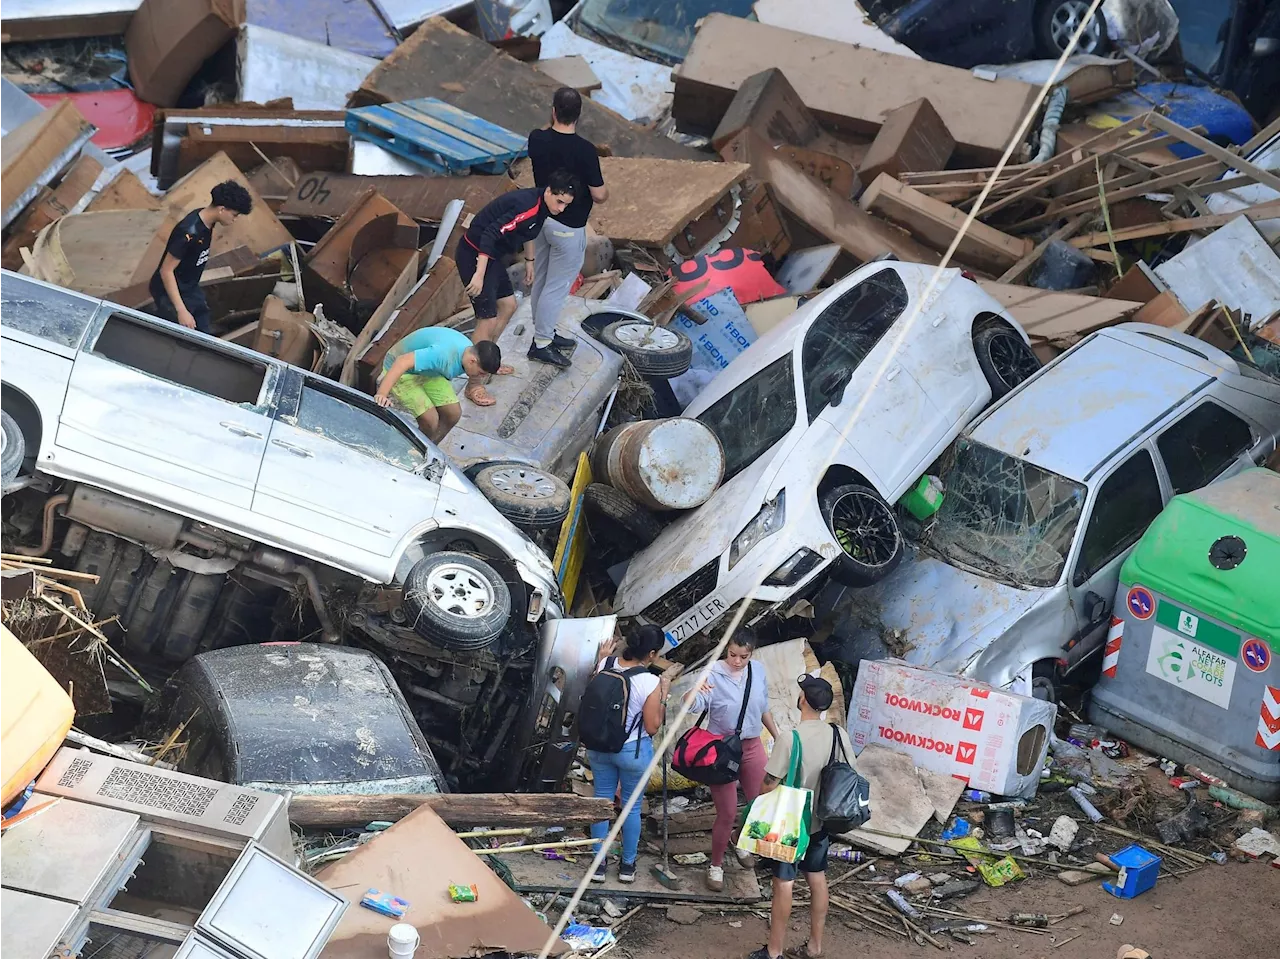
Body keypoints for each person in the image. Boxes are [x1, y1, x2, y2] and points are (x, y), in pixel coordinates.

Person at [748, 675, 854, 959]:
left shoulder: (791, 738)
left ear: (803, 699)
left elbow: (770, 783)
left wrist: (756, 809)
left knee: (784, 883)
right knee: (817, 877)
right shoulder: (838, 734)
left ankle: (773, 951)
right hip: (822, 819)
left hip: (791, 823)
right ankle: (815, 946)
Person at [456, 171, 579, 407]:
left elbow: (528, 232)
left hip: (493, 258)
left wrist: (530, 262)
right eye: (560, 201)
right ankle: (474, 384)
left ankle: (489, 360)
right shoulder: (527, 205)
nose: (562, 208)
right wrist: (479, 275)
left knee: (508, 305)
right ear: (548, 191)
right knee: (486, 319)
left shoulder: (542, 207)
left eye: (567, 204)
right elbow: (490, 234)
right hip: (475, 253)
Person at [686, 629, 779, 892]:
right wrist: (692, 693)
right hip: (721, 750)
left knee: (760, 803)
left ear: (751, 654)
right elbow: (693, 704)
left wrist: (777, 735)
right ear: (726, 649)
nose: (736, 661)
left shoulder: (757, 671)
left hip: (752, 744)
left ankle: (739, 838)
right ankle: (716, 865)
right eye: (732, 655)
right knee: (726, 812)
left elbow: (763, 707)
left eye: (743, 657)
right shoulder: (713, 672)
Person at [525, 87, 608, 369]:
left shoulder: (536, 139)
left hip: (541, 219)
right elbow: (599, 194)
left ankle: (543, 331)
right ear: (579, 115)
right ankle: (542, 343)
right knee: (556, 287)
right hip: (568, 226)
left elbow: (546, 134)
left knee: (542, 277)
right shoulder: (585, 150)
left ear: (553, 111)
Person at [587, 624, 670, 884]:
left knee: (600, 802)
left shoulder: (605, 664)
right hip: (632, 751)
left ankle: (598, 865)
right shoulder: (650, 681)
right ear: (653, 654)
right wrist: (663, 697)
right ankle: (627, 866)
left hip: (599, 747)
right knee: (630, 808)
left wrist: (602, 657)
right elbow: (652, 726)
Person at [148, 180, 252, 334]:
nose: (234, 219)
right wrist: (181, 310)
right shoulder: (189, 233)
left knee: (203, 323)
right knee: (185, 333)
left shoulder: (207, 221)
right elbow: (166, 271)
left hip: (189, 287)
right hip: (170, 291)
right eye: (234, 215)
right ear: (222, 209)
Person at [373, 327, 501, 442]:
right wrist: (382, 394)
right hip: (403, 371)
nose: (480, 377)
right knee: (430, 421)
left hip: (430, 371)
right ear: (473, 361)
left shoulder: (467, 352)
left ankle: (431, 447)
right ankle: (411, 453)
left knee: (453, 414)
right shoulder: (442, 355)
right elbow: (401, 361)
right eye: (481, 373)